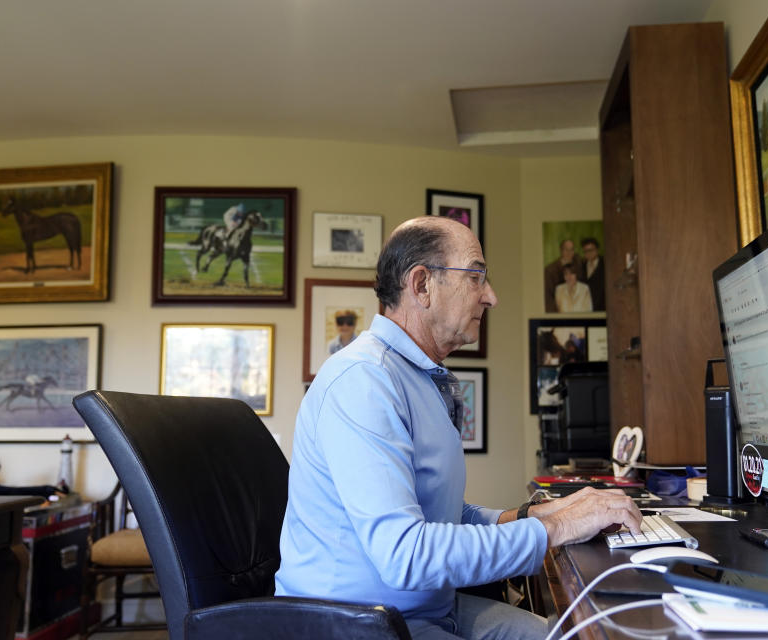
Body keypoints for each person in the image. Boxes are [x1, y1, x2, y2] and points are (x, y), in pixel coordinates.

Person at [275, 216, 642, 640]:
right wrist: (557, 529)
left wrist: (541, 513)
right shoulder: (364, 381)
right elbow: (406, 555)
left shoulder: (419, 377)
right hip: (354, 626)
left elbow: (444, 515)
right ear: (421, 285)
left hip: (424, 609)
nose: (491, 297)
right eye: (476, 276)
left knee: (572, 634)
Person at [543, 238, 584, 312]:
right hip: (559, 312)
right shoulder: (550, 270)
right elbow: (548, 297)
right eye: (566, 250)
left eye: (572, 250)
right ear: (561, 251)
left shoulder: (579, 265)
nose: (569, 253)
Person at [580, 237, 606, 311]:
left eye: (590, 250)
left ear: (597, 250)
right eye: (585, 251)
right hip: (587, 306)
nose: (588, 253)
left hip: (602, 306)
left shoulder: (604, 264)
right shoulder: (582, 266)